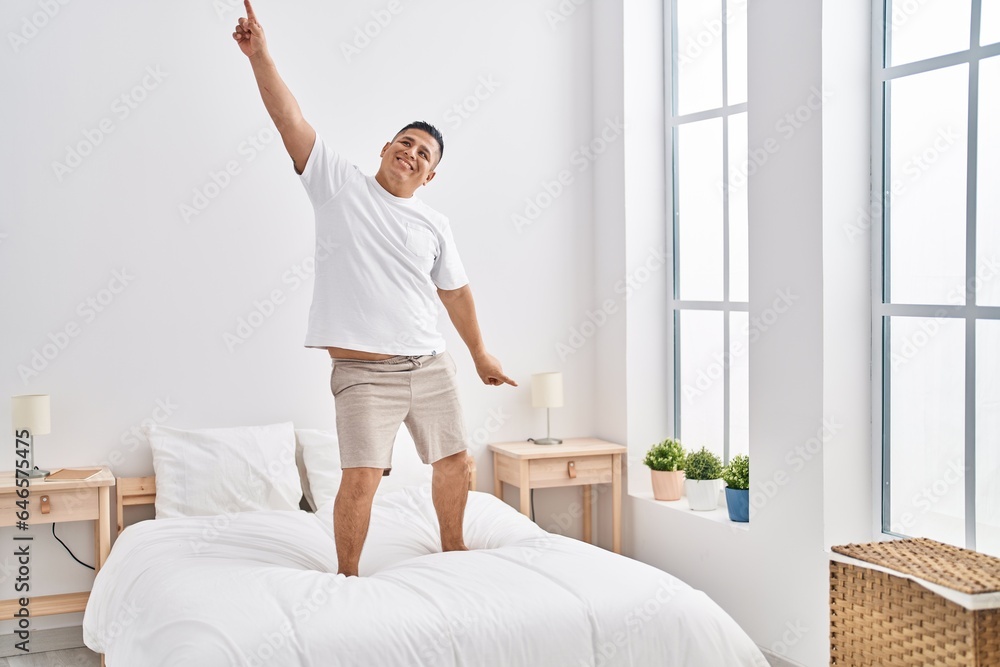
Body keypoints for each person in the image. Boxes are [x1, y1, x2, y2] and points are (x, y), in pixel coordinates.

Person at [233, 0, 516, 577]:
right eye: (405, 143)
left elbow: (455, 293)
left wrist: (480, 353)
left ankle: (454, 548)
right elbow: (291, 120)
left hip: (430, 364)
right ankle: (348, 576)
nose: (411, 154)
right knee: (362, 477)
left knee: (458, 462)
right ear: (384, 148)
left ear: (430, 174)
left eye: (423, 154)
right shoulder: (339, 186)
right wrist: (260, 56)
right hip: (364, 373)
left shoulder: (435, 224)